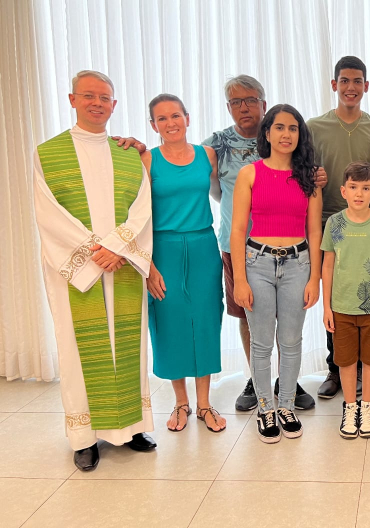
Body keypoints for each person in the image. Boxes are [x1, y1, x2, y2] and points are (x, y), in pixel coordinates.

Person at [115, 75, 321, 411]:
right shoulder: (216, 146)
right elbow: (197, 179)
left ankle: (287, 383)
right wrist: (138, 148)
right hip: (234, 243)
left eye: (251, 100)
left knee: (286, 321)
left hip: (287, 247)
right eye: (236, 102)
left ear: (263, 104)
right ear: (228, 107)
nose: (244, 107)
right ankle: (256, 381)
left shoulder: (284, 141)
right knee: (248, 315)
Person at [33, 70, 156, 471]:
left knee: (129, 346)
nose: (97, 103)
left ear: (114, 105)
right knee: (78, 349)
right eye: (89, 96)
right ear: (72, 99)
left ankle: (132, 427)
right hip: (77, 270)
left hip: (122, 266)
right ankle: (84, 439)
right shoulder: (48, 153)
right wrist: (95, 251)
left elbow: (142, 208)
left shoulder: (128, 154)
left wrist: (118, 247)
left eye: (104, 97)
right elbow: (49, 214)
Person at [231, 104, 322, 443]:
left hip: (298, 264)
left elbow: (315, 231)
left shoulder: (310, 177)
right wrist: (240, 279)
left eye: (293, 128)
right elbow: (237, 230)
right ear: (267, 133)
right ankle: (265, 408)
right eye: (279, 127)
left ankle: (286, 406)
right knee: (261, 343)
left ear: (300, 134)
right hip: (258, 263)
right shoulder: (250, 174)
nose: (286, 134)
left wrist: (314, 278)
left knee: (292, 341)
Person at [143, 94, 226, 433]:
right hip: (163, 249)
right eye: (162, 118)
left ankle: (204, 403)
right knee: (169, 322)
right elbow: (139, 215)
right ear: (153, 125)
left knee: (206, 320)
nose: (170, 123)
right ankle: (181, 402)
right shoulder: (147, 159)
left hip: (204, 245)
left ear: (187, 118)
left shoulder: (207, 155)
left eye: (175, 115)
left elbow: (223, 194)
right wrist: (148, 265)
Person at [307, 56, 370, 399]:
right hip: (328, 222)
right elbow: (299, 171)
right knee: (335, 297)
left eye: (357, 81)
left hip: (367, 226)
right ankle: (335, 368)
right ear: (334, 85)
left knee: (364, 293)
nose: (350, 87)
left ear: (366, 86)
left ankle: (362, 367)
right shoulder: (314, 127)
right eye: (344, 81)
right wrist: (314, 176)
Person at [321, 162, 370, 439]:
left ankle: (367, 408)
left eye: (366, 188)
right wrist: (326, 307)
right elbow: (327, 265)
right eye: (353, 187)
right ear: (343, 191)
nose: (359, 193)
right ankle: (350, 407)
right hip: (341, 307)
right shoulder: (334, 223)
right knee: (346, 360)